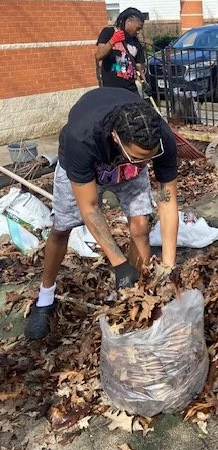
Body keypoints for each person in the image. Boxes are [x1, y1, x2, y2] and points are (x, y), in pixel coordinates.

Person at [25, 87, 179, 339]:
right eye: (140, 158)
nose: (145, 164)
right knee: (62, 228)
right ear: (117, 138)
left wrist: (169, 265)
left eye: (148, 159)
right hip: (86, 166)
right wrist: (119, 263)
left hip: (125, 169)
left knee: (141, 226)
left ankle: (133, 296)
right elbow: (90, 208)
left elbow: (167, 199)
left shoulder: (159, 138)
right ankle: (45, 298)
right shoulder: (81, 139)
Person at [96, 7, 147, 93]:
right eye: (137, 28)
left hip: (130, 89)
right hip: (112, 89)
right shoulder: (108, 32)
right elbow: (98, 56)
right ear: (128, 22)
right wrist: (112, 41)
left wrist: (145, 84)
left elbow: (139, 67)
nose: (138, 32)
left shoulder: (135, 42)